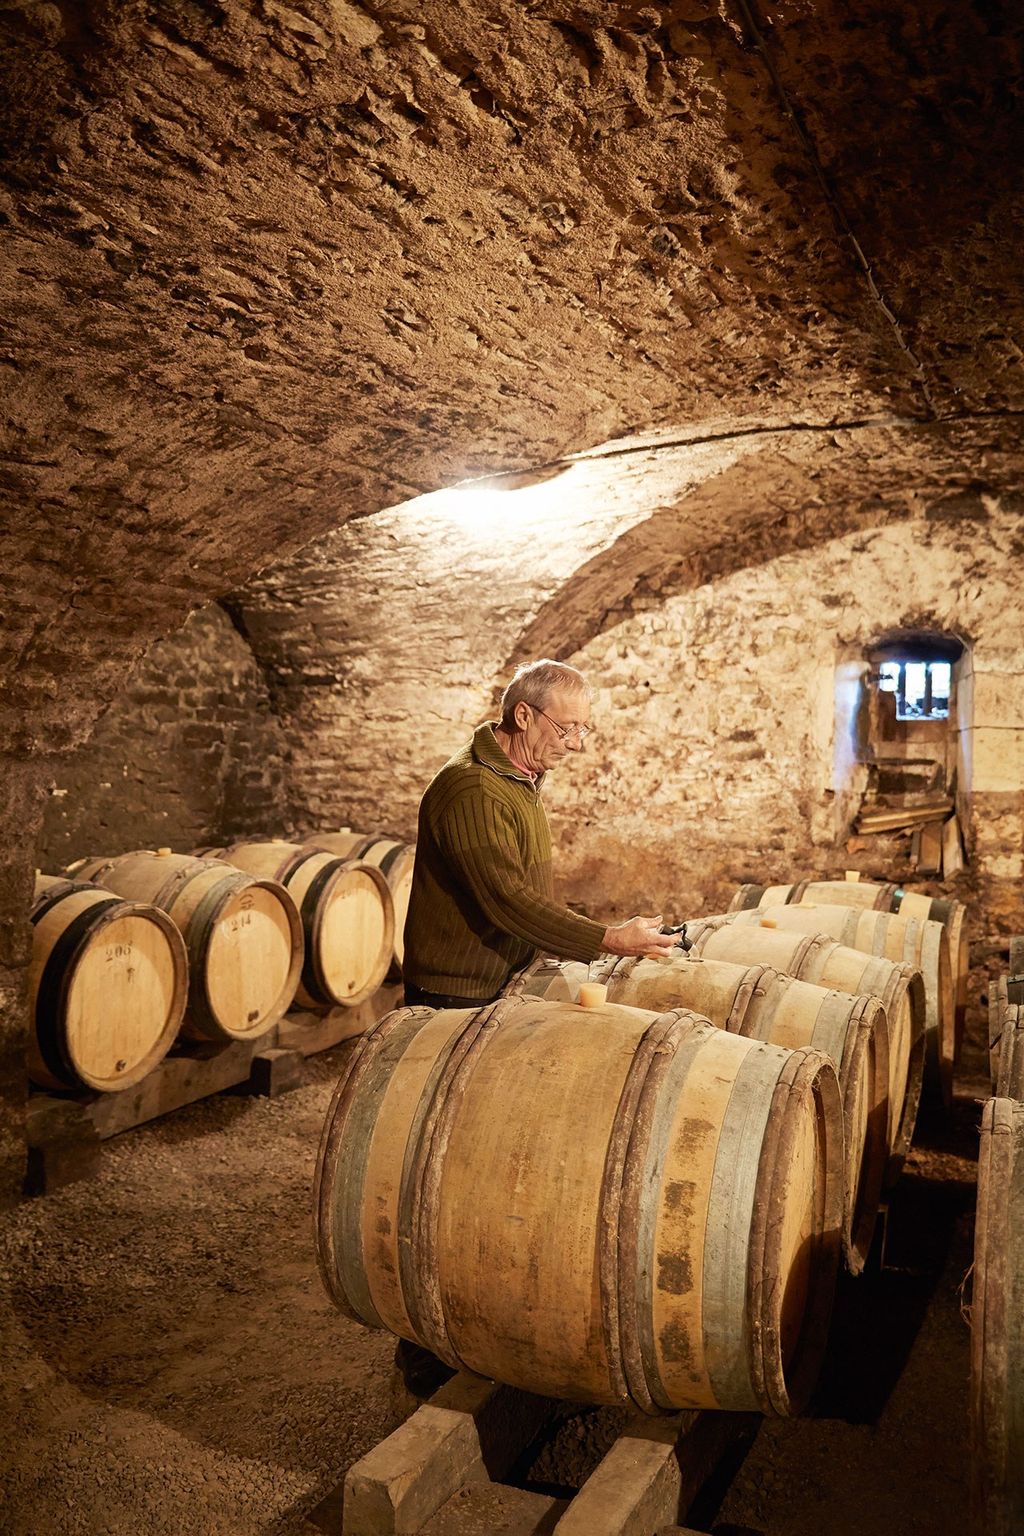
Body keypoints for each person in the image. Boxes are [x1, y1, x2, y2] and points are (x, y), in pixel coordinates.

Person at [402, 658, 681, 1007]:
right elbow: (508, 899)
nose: (576, 744)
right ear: (523, 716)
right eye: (567, 728)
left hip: (503, 976)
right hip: (459, 990)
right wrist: (608, 939)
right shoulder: (476, 787)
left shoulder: (517, 776)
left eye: (582, 728)